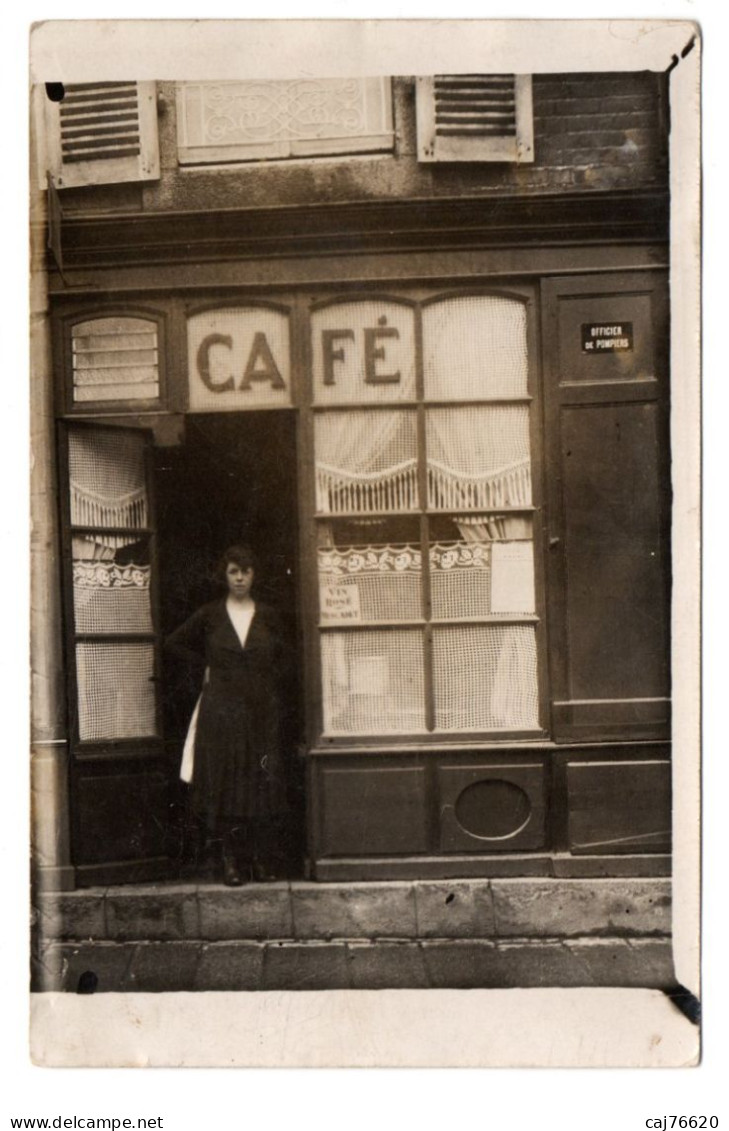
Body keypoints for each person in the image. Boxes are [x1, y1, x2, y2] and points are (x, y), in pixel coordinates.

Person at [165, 545, 289, 885]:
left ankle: (260, 861)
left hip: (260, 711)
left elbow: (287, 656)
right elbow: (173, 643)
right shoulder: (210, 615)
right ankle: (231, 862)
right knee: (227, 786)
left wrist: (267, 684)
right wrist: (205, 667)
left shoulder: (268, 615)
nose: (240, 578)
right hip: (221, 710)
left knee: (259, 784)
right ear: (225, 575)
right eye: (234, 571)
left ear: (254, 575)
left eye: (246, 572)